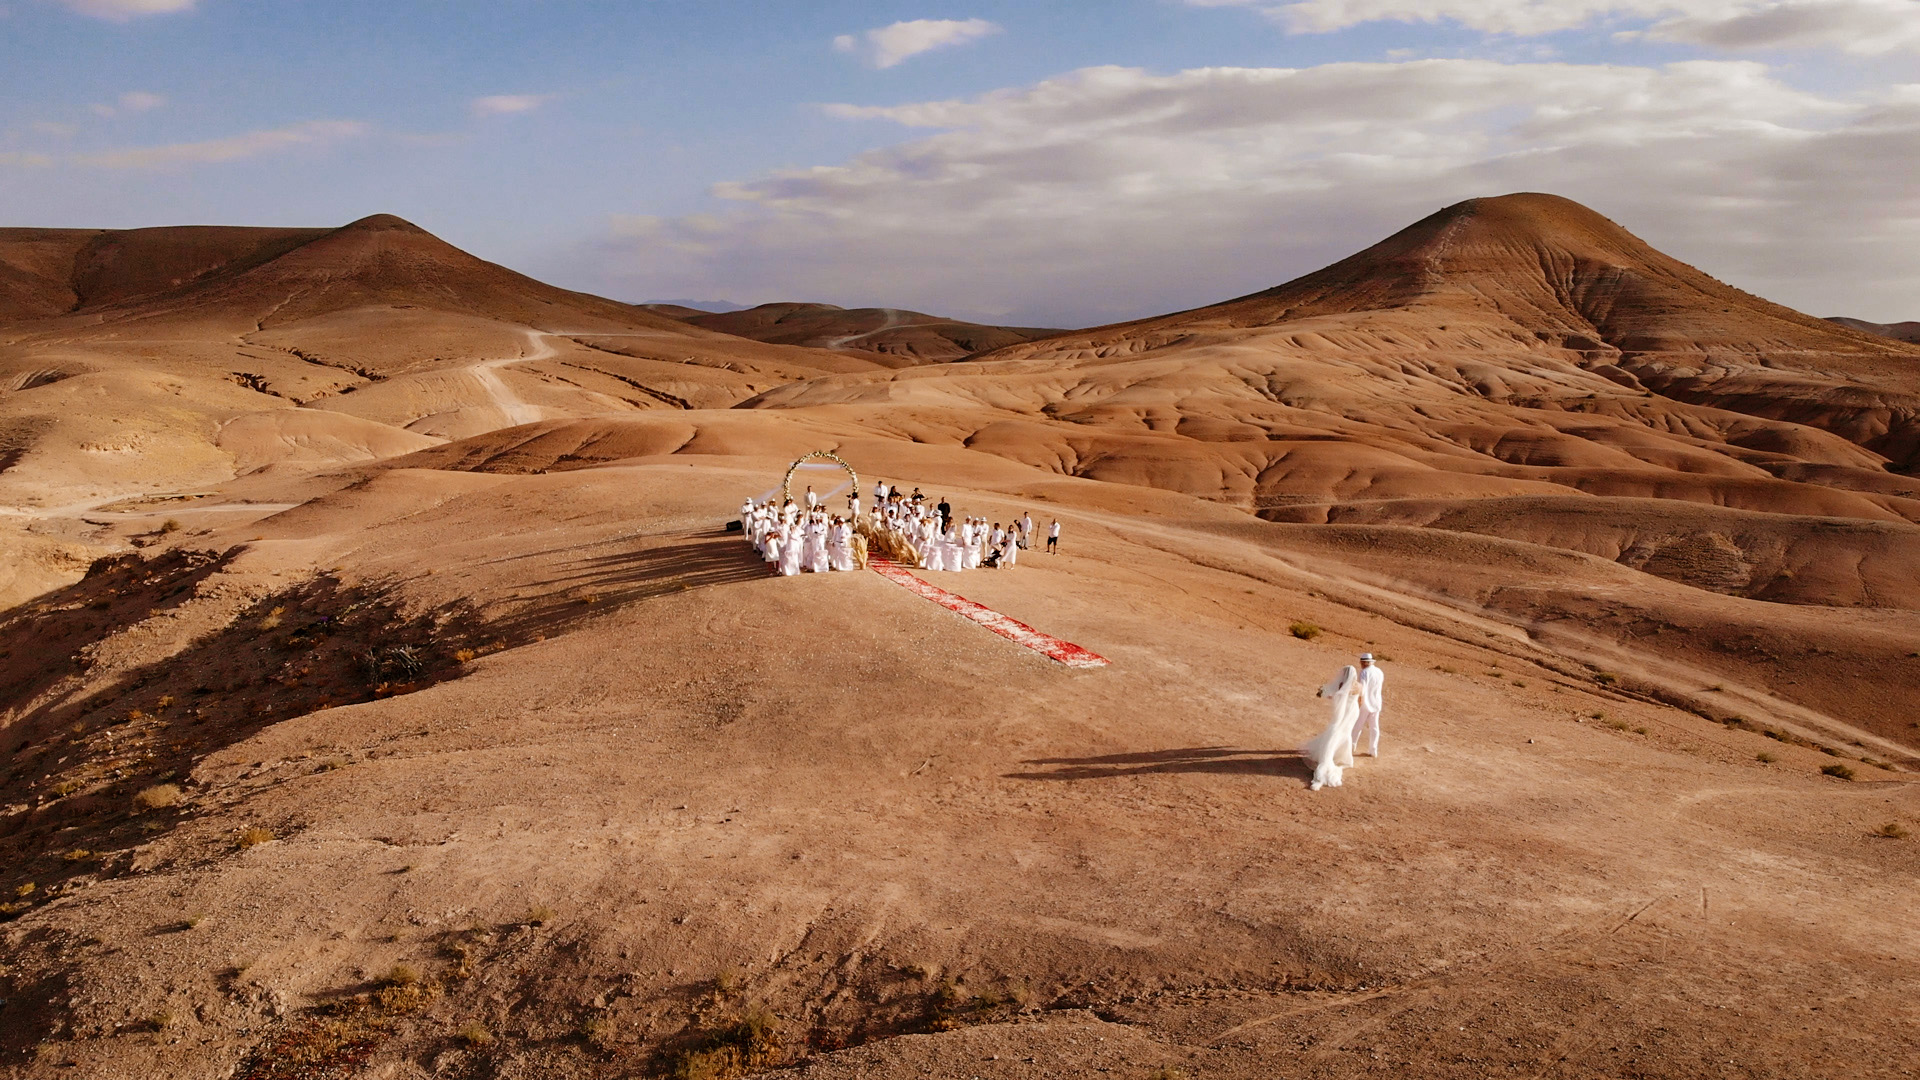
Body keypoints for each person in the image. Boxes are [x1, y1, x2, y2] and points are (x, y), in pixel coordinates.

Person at [1302, 665, 1361, 791]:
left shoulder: (1342, 685)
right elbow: (1360, 699)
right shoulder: (1359, 686)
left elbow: (1337, 697)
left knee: (1336, 730)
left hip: (1344, 712)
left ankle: (1328, 757)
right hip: (1353, 711)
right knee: (1346, 732)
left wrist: (1324, 693)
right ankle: (1344, 756)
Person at [1351, 653, 1385, 757]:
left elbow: (1363, 689)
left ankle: (1351, 747)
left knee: (1358, 726)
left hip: (1366, 703)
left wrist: (1359, 701)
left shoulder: (1364, 672)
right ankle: (1373, 750)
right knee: (1374, 727)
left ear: (1364, 662)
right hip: (1376, 702)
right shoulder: (1379, 671)